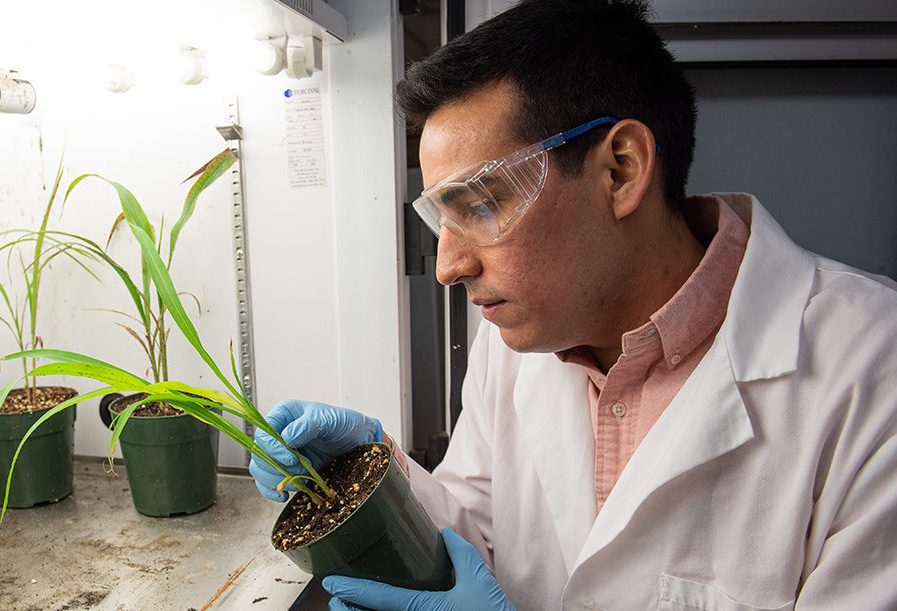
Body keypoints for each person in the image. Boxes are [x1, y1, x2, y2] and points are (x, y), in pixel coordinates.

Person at [249, 0, 897, 609]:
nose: (448, 266)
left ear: (619, 169)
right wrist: (378, 478)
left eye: (480, 203)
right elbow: (476, 528)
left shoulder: (873, 376)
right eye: (441, 217)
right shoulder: (517, 335)